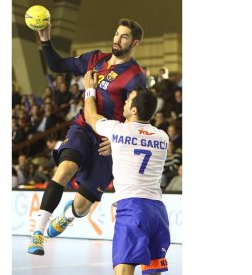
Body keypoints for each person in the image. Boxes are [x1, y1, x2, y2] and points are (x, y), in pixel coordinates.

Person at [27, 18, 146, 255]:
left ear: (135, 43)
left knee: (82, 207)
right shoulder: (95, 59)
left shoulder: (136, 77)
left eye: (124, 37)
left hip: (107, 141)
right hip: (82, 128)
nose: (117, 39)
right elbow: (57, 64)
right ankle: (37, 233)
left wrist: (117, 142)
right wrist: (45, 39)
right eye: (116, 33)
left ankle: (68, 215)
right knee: (64, 169)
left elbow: (136, 117)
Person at [83, 71, 170, 275]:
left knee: (123, 270)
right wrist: (118, 146)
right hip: (158, 211)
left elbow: (90, 116)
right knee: (153, 272)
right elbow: (140, 144)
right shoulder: (163, 137)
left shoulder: (118, 130)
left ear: (133, 109)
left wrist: (89, 90)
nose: (123, 103)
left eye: (128, 100)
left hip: (133, 208)